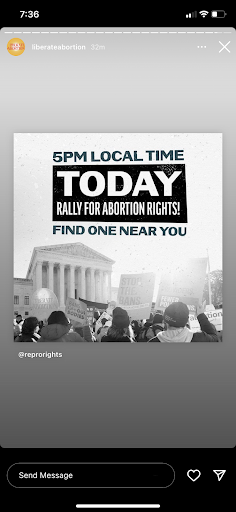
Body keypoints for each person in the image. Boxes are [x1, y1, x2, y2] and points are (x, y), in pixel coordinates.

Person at [149, 301, 219, 342]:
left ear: (164, 320)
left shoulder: (153, 342)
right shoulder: (199, 338)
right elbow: (215, 339)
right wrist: (200, 315)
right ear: (186, 321)